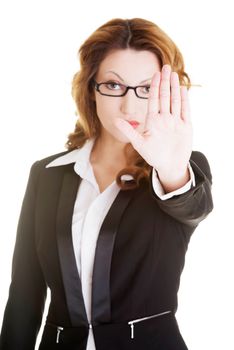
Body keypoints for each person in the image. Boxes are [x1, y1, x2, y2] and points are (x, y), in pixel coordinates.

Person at [0, 17, 213, 350]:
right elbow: (25, 293)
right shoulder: (47, 174)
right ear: (91, 88)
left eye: (146, 88)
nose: (129, 105)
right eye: (114, 85)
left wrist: (171, 167)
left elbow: (193, 207)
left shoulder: (181, 168)